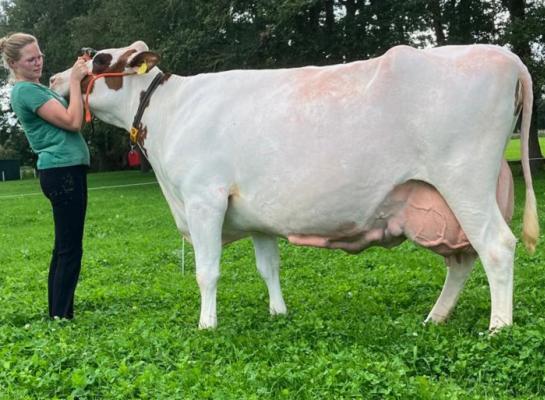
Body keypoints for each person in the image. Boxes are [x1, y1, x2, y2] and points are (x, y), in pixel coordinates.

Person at [0, 32, 90, 319]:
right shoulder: (26, 91)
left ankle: (58, 311)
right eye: (30, 59)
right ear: (14, 63)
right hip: (62, 171)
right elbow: (73, 122)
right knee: (70, 249)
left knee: (64, 246)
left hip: (63, 170)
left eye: (39, 55)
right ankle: (61, 316)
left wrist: (66, 85)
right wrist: (74, 81)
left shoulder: (38, 89)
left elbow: (73, 111)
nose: (38, 62)